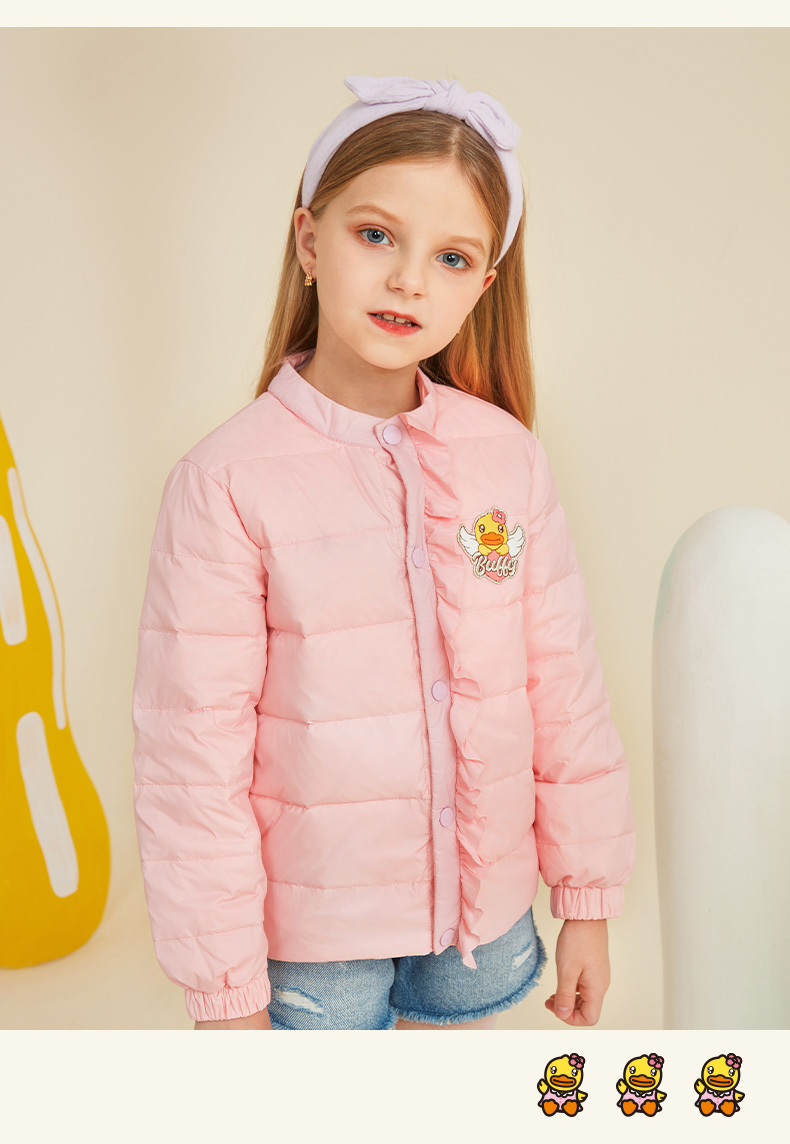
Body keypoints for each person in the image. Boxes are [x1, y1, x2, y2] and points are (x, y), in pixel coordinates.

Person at [131, 74, 636, 1032]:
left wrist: (587, 898)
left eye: (451, 257)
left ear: (483, 286)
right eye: (376, 235)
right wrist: (225, 990)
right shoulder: (226, 482)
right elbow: (191, 758)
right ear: (308, 241)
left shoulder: (507, 460)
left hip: (484, 920)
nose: (409, 280)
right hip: (316, 942)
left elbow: (564, 691)